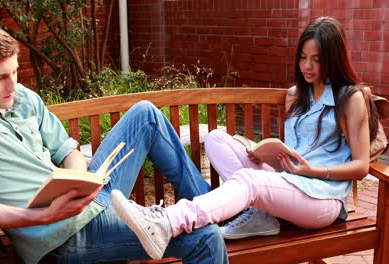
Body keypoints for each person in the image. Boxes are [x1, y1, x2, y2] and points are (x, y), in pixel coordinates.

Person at [0, 20, 227, 264]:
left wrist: (80, 181)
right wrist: (41, 215)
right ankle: (208, 220)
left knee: (145, 114)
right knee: (205, 238)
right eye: (0, 78)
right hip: (63, 235)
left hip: (87, 202)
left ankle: (212, 207)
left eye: (16, 72)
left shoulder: (24, 99)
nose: (13, 85)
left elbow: (67, 151)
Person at [111, 16, 378, 259]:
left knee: (250, 181)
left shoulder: (350, 98)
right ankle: (261, 218)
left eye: (317, 59)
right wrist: (262, 153)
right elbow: (291, 154)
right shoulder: (296, 95)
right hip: (290, 182)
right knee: (217, 138)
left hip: (322, 200)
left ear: (334, 58)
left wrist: (314, 170)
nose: (307, 66)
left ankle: (168, 222)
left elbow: (361, 166)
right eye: (303, 57)